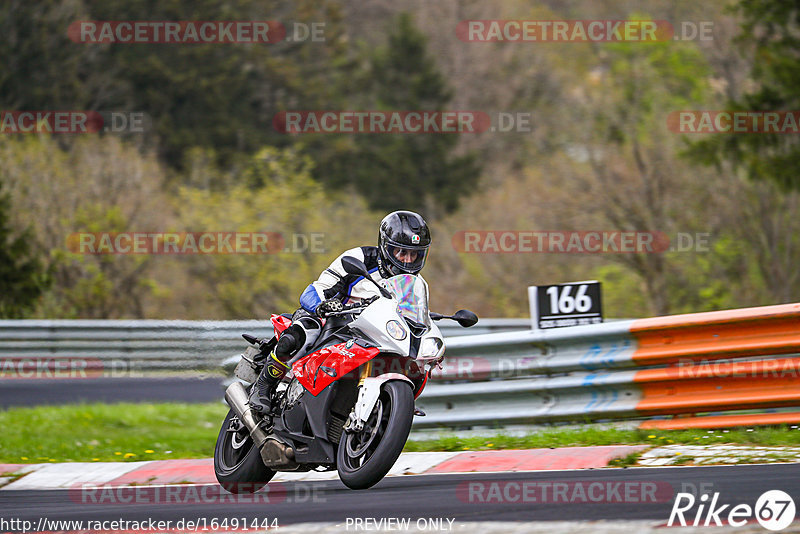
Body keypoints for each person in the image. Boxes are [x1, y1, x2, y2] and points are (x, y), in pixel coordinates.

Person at [248, 210, 432, 415]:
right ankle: (264, 384)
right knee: (304, 331)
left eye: (414, 254)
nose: (407, 260)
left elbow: (412, 315)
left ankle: (389, 402)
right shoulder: (359, 259)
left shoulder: (414, 285)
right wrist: (323, 305)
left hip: (369, 336)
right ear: (386, 246)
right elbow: (316, 288)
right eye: (401, 252)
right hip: (332, 321)